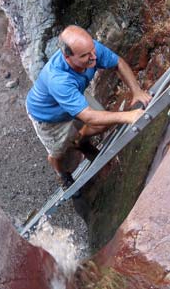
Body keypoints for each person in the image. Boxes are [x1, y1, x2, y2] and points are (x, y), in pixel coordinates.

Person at [26, 25, 152, 187]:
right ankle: (62, 174)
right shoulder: (58, 79)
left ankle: (80, 140)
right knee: (58, 151)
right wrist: (128, 116)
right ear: (67, 57)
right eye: (86, 56)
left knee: (101, 125)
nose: (94, 57)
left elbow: (117, 62)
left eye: (92, 50)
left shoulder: (89, 49)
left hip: (73, 94)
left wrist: (137, 91)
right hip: (47, 115)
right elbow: (87, 115)